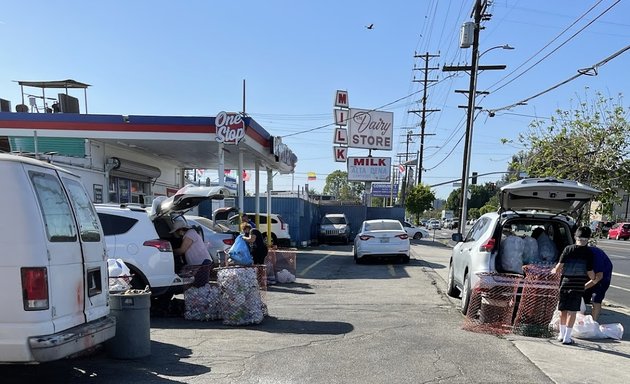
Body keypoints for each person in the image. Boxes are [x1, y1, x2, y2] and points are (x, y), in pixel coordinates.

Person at [551, 226, 597, 345]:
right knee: (572, 312)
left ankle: (561, 335)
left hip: (565, 283)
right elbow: (590, 272)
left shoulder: (568, 249)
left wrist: (553, 271)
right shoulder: (589, 253)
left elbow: (558, 268)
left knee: (563, 310)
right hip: (578, 285)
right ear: (588, 239)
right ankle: (567, 337)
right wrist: (594, 279)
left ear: (575, 237)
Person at [171, 220, 212, 287]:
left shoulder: (190, 234)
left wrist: (171, 251)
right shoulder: (190, 234)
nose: (177, 234)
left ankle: (204, 296)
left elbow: (182, 250)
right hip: (200, 263)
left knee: (201, 285)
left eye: (176, 232)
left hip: (202, 263)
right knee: (200, 285)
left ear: (180, 230)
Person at [584, 246, 613, 321]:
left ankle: (594, 322)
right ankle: (580, 320)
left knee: (596, 298)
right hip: (589, 274)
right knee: (581, 297)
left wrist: (584, 287)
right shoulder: (574, 254)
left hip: (602, 276)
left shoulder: (596, 255)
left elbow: (599, 277)